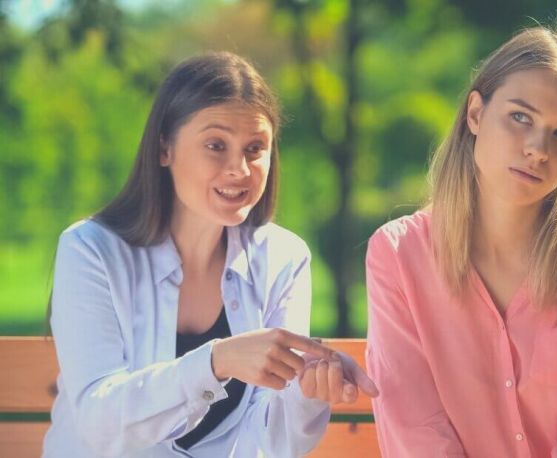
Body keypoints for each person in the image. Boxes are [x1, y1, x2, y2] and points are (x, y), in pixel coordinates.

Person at [44, 52, 377, 458]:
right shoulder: (90, 250)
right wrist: (216, 362)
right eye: (216, 145)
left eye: (255, 148)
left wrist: (307, 392)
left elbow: (273, 443)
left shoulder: (284, 259)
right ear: (164, 147)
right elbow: (99, 421)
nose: (240, 169)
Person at [366, 26, 557, 457]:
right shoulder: (398, 255)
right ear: (475, 114)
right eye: (521, 117)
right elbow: (414, 421)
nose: (538, 149)